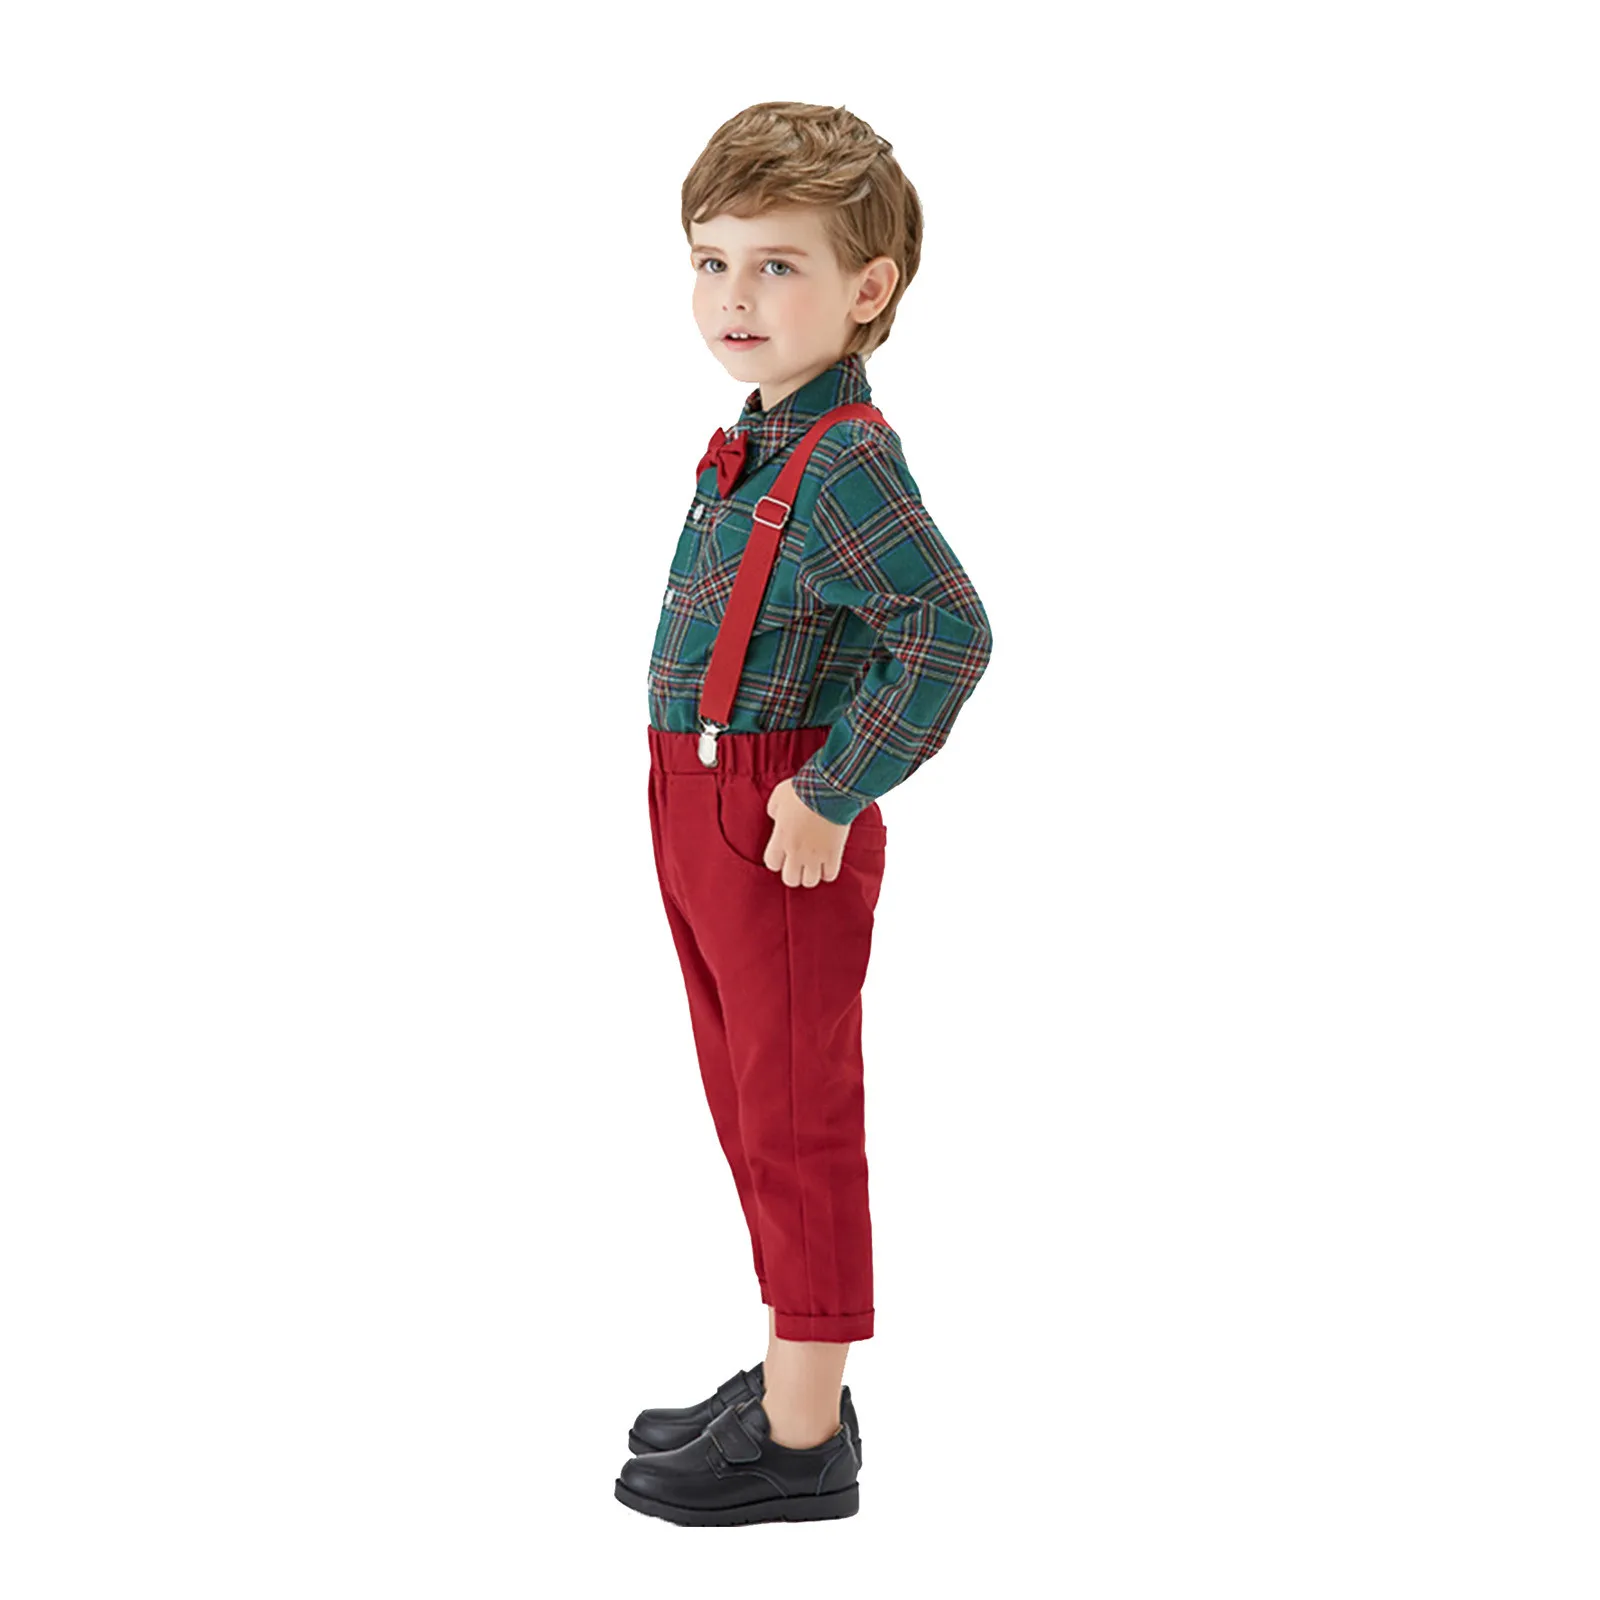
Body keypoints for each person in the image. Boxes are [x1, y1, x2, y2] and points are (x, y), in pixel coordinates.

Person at [615, 101, 994, 1527]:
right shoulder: (762, 436)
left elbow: (947, 631)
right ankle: (794, 1367)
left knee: (794, 1116)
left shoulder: (841, 459)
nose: (734, 296)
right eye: (711, 262)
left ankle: (801, 1437)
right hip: (699, 800)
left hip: (772, 820)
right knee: (745, 1099)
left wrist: (833, 790)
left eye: (777, 265)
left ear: (868, 288)